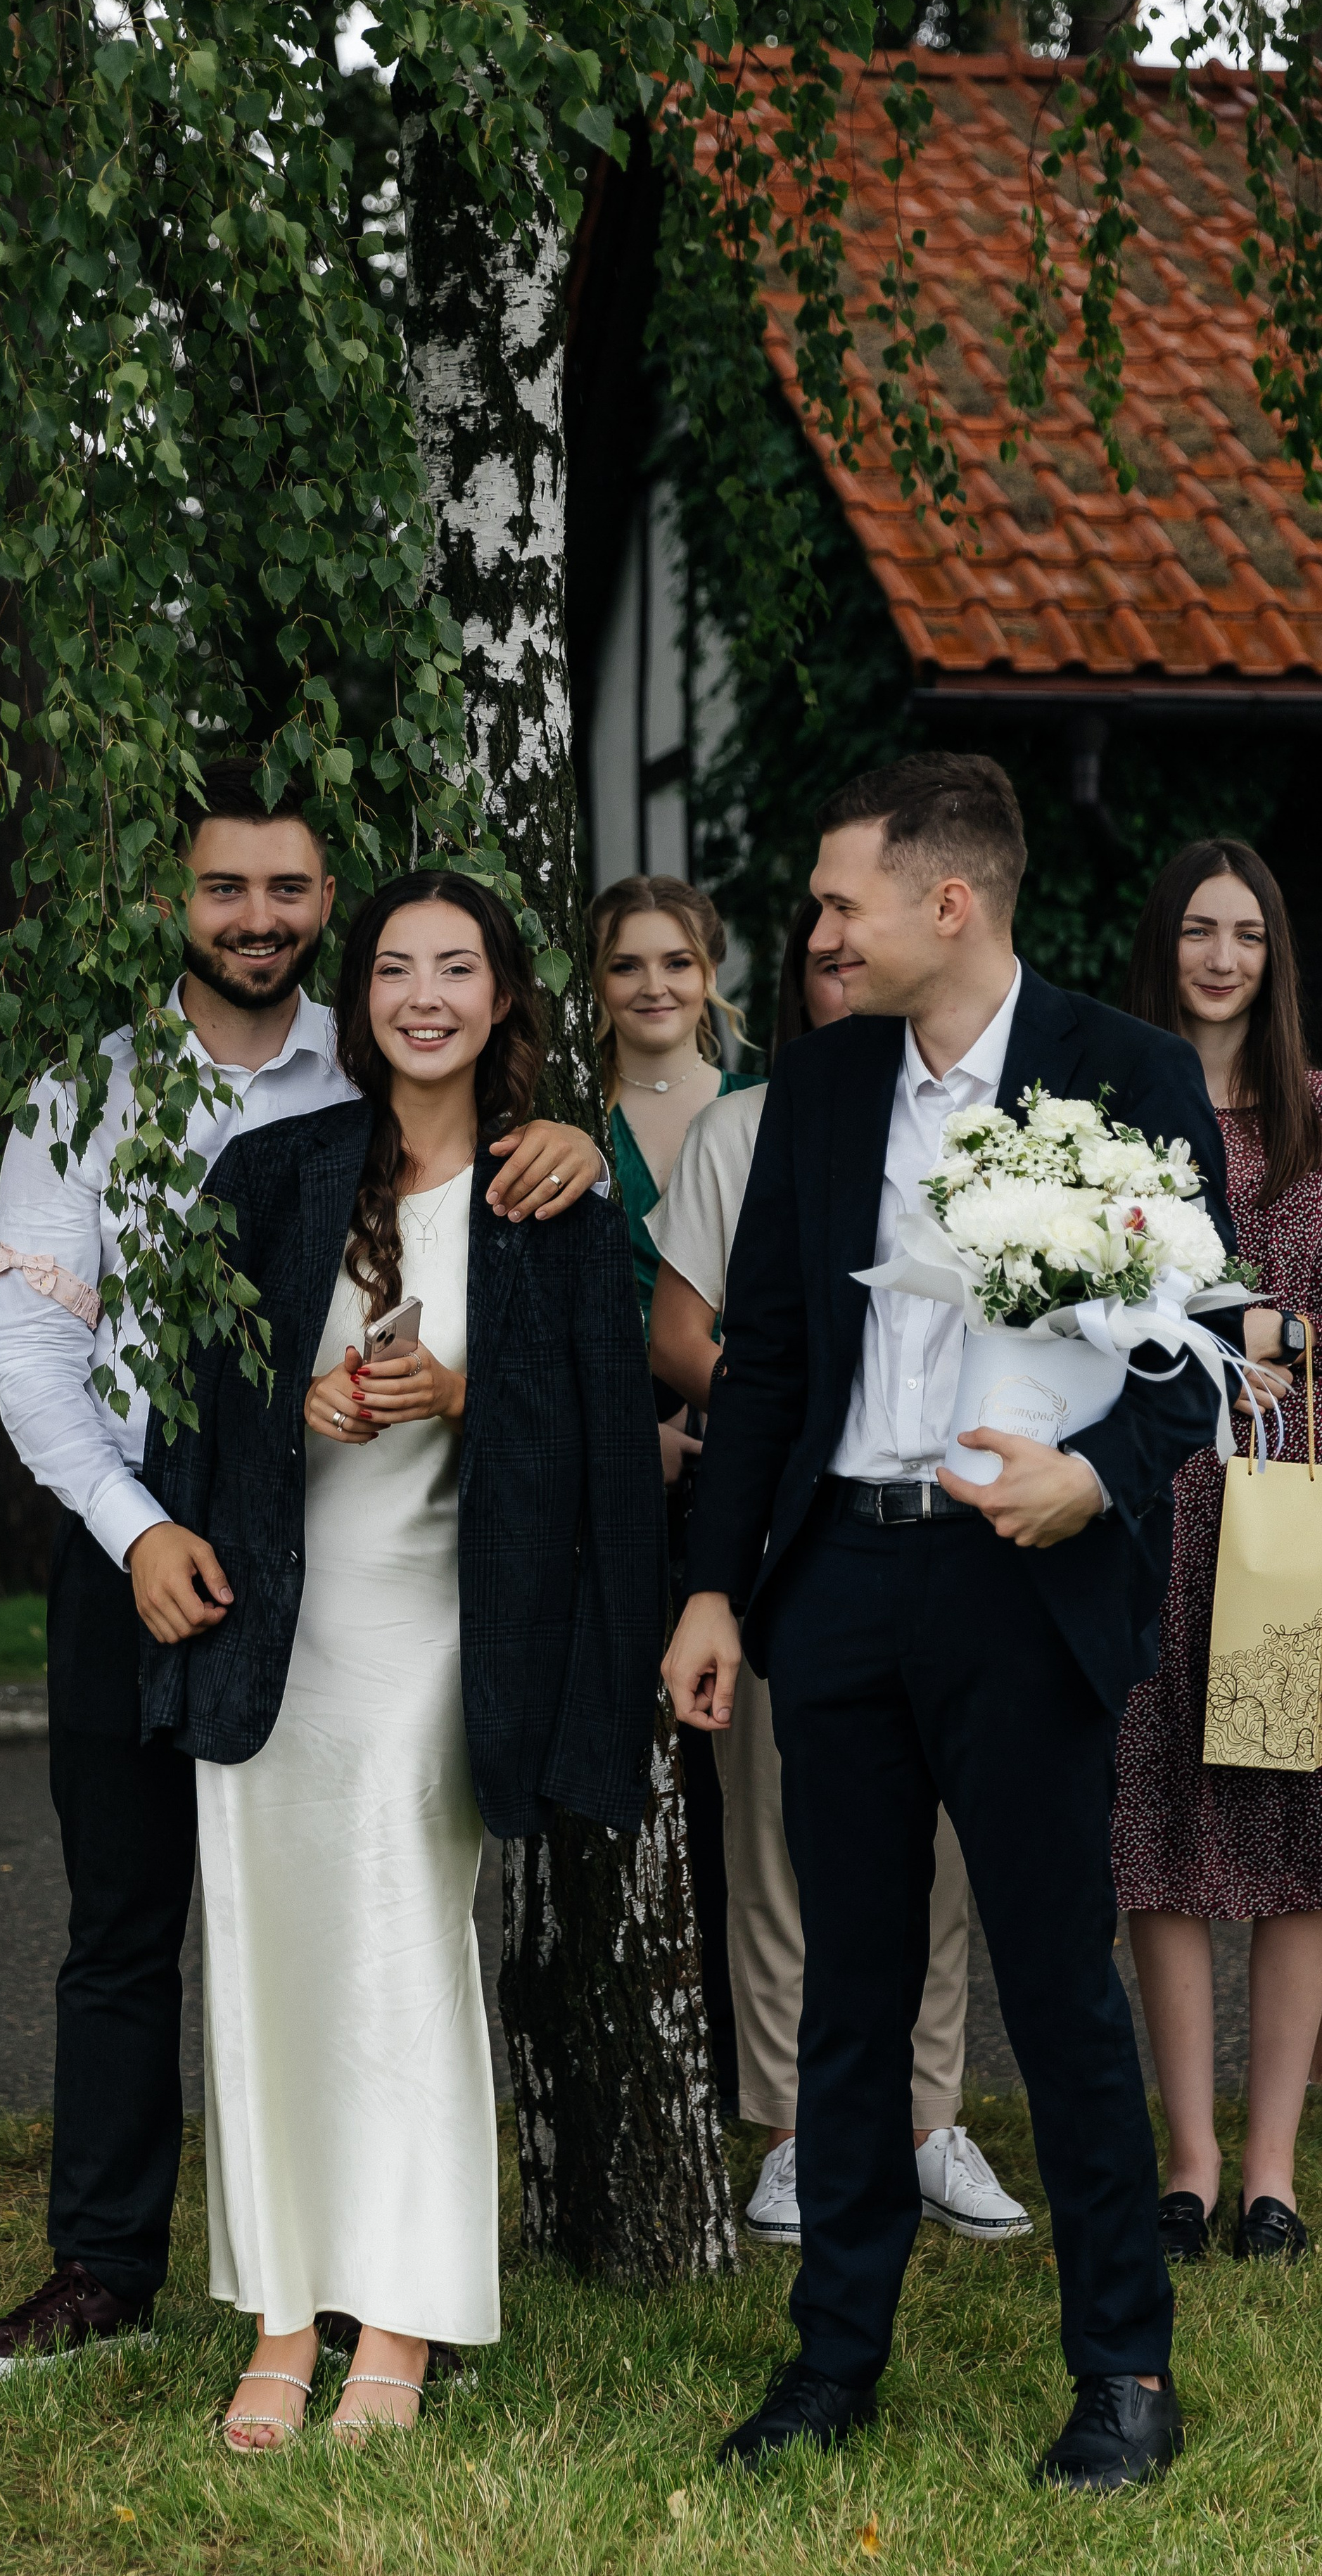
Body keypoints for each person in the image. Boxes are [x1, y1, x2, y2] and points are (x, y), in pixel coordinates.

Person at [0, 761, 608, 2380]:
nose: (257, 918)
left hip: (375, 1580)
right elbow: (34, 1349)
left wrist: (580, 1146)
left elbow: (507, 1244)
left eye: (288, 890)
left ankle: (374, 2277)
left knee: (363, 1908)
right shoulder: (82, 1093)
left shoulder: (377, 1073)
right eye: (223, 888)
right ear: (175, 903)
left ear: (330, 906)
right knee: (131, 1918)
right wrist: (141, 1529)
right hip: (139, 1544)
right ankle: (103, 2268)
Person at [663, 753, 1242, 2494]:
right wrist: (711, 1580)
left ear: (946, 901)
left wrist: (1096, 1481)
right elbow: (762, 1351)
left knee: (1057, 1989)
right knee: (848, 1991)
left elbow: (1199, 1337)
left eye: (839, 901)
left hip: (1024, 1584)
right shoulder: (821, 1086)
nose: (817, 930)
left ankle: (1121, 2374)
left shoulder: (1122, 1074)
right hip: (837, 1576)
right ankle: (830, 2364)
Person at [138, 871, 665, 2448]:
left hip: (443, 1635)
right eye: (391, 969)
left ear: (504, 999)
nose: (422, 994)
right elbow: (189, 1404)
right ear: (355, 1000)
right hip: (275, 1630)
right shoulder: (274, 1168)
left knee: (396, 1950)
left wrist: (460, 1395)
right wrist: (294, 1417)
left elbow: (599, 1461)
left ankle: (409, 2312)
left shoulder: (549, 1196)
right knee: (262, 1957)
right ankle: (286, 2312)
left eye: (457, 969)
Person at [649, 898, 1030, 2250]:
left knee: (934, 1861)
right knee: (780, 1843)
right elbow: (683, 1328)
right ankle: (799, 2135)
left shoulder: (986, 1119)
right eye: (816, 955)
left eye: (851, 942)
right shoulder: (747, 1129)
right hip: (795, 1532)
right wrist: (798, 1403)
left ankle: (926, 2124)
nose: (840, 964)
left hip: (954, 1535)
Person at [1111, 839, 1322, 2264]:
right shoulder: (1113, 1115)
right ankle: (1183, 2162)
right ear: (1163, 947)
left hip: (1289, 1508)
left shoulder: (1316, 1116)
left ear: (1273, 956)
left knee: (1292, 1837)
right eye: (1195, 930)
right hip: (1148, 1489)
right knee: (1163, 1835)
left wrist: (1274, 1334)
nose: (1220, 956)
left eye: (1244, 932)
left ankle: (1269, 2172)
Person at [586, 872, 756, 2088]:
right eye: (627, 965)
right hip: (606, 1462)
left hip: (741, 1442)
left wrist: (723, 1419)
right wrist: (623, 1433)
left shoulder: (764, 1110)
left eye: (676, 963)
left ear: (712, 976)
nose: (654, 986)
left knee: (729, 1771)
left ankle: (744, 2043)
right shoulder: (566, 1122)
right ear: (596, 988)